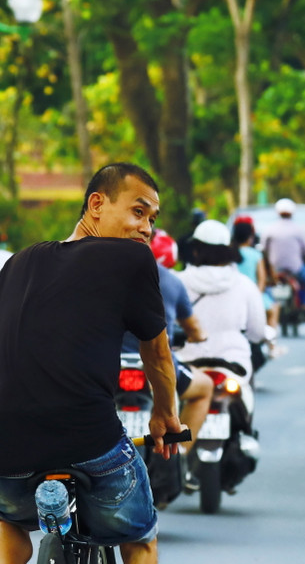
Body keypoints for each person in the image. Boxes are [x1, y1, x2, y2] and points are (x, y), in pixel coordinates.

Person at [0, 162, 182, 564]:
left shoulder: (17, 263)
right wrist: (165, 415)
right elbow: (157, 353)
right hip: (89, 444)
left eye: (151, 219)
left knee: (9, 530)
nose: (147, 229)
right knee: (140, 538)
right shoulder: (131, 260)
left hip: (7, 450)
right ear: (96, 204)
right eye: (138, 212)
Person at [120, 228, 213, 457]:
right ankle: (180, 454)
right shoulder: (172, 281)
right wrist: (198, 336)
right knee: (206, 387)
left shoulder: (100, 276)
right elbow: (192, 328)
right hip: (158, 370)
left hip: (111, 366)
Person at [175, 219, 267, 379]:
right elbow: (257, 332)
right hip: (234, 365)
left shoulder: (177, 282)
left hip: (187, 363)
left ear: (196, 250)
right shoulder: (245, 284)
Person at [232, 219, 281, 333]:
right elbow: (262, 280)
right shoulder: (256, 255)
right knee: (273, 310)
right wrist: (256, 297)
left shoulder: (230, 253)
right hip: (253, 295)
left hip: (234, 295)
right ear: (250, 237)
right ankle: (272, 346)